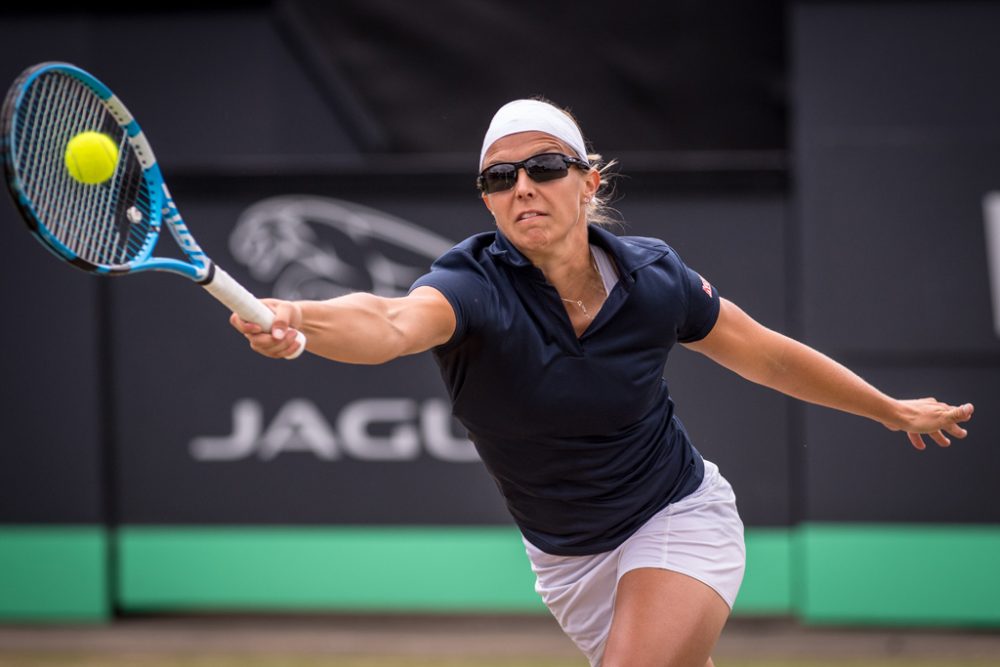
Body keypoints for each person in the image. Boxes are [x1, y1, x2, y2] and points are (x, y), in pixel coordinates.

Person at [230, 98, 975, 667]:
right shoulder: (471, 285)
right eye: (500, 176)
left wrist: (887, 408)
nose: (523, 186)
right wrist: (297, 314)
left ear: (588, 181)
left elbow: (765, 353)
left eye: (545, 167)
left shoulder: (654, 276)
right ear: (487, 199)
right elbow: (390, 322)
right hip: (568, 561)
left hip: (676, 514)